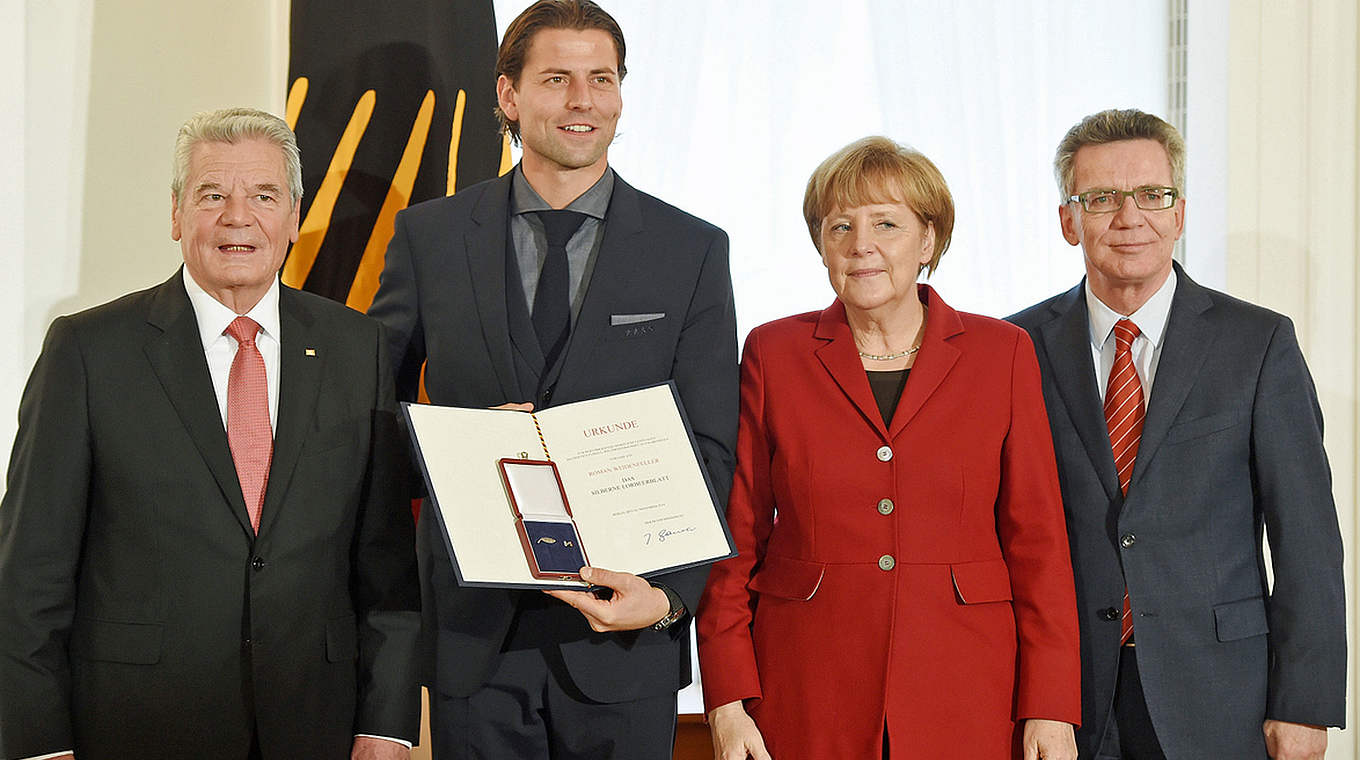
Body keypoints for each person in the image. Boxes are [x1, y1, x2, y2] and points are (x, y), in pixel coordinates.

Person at [365, 1, 737, 757]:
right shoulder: (429, 237)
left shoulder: (691, 249)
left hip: (623, 640)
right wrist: (466, 446)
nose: (583, 101)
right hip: (475, 639)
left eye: (602, 79)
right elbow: (377, 417)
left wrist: (669, 598)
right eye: (558, 78)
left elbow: (711, 446)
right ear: (508, 95)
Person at [0, 108, 421, 760]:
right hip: (136, 729)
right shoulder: (87, 352)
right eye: (212, 195)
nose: (237, 217)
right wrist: (38, 744)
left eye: (262, 196)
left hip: (316, 727)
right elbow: (28, 580)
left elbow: (387, 569)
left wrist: (387, 724)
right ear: (176, 214)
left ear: (293, 215)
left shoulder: (356, 347)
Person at [696, 136, 1081, 760]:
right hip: (805, 686)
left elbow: (1038, 542)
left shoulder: (1002, 354)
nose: (861, 244)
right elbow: (736, 539)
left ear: (928, 241)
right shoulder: (774, 353)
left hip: (967, 688)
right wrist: (727, 697)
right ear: (821, 244)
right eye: (840, 225)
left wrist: (1052, 704)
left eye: (887, 224)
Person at [1008, 108, 1346, 760]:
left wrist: (1304, 703)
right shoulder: (1015, 348)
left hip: (1221, 695)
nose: (1128, 217)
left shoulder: (1257, 344)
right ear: (1067, 221)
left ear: (1179, 213)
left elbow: (1307, 539)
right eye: (1101, 198)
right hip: (1064, 699)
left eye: (1152, 196)